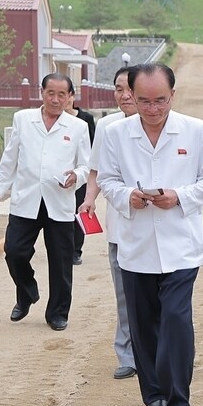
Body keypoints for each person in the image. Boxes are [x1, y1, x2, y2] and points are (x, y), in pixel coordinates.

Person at [96, 63, 203, 406]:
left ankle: (179, 398)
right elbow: (107, 179)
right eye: (144, 101)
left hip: (181, 244)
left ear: (173, 95)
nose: (153, 109)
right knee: (143, 322)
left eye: (161, 100)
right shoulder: (115, 133)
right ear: (131, 97)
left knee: (176, 319)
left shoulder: (195, 130)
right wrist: (128, 196)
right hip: (135, 244)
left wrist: (179, 196)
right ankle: (153, 394)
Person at [0, 73, 91, 331]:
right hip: (27, 199)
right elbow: (10, 158)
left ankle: (58, 312)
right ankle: (26, 293)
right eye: (50, 93)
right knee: (15, 251)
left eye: (61, 95)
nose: (55, 99)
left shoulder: (78, 127)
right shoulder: (23, 119)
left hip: (59, 201)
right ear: (41, 92)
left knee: (61, 261)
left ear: (70, 97)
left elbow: (86, 166)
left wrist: (76, 177)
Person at [77, 66, 138, 379]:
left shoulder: (163, 125)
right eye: (118, 89)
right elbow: (96, 170)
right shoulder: (106, 126)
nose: (124, 96)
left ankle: (162, 350)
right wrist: (89, 199)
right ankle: (127, 354)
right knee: (125, 294)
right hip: (120, 225)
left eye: (130, 89)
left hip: (157, 225)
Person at [65, 83, 97, 266]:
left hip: (81, 173)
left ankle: (76, 250)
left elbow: (92, 145)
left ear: (72, 96)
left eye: (66, 95)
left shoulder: (85, 119)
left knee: (79, 211)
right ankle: (64, 249)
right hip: (61, 175)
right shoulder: (55, 121)